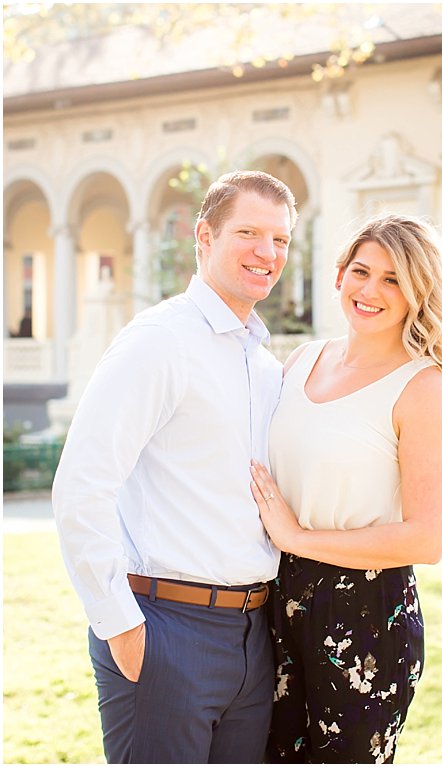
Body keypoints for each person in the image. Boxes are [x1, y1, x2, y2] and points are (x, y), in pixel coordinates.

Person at [52, 170, 296, 762]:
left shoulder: (262, 364)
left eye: (281, 240)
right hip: (164, 630)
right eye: (249, 233)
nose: (267, 253)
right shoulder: (159, 342)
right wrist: (121, 626)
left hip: (251, 635)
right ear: (204, 236)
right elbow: (81, 485)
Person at [250, 214, 442, 762]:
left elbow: (429, 539)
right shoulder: (303, 360)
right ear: (338, 276)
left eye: (393, 279)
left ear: (417, 293)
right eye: (361, 271)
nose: (370, 290)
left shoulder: (422, 386)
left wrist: (296, 537)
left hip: (364, 614)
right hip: (273, 599)